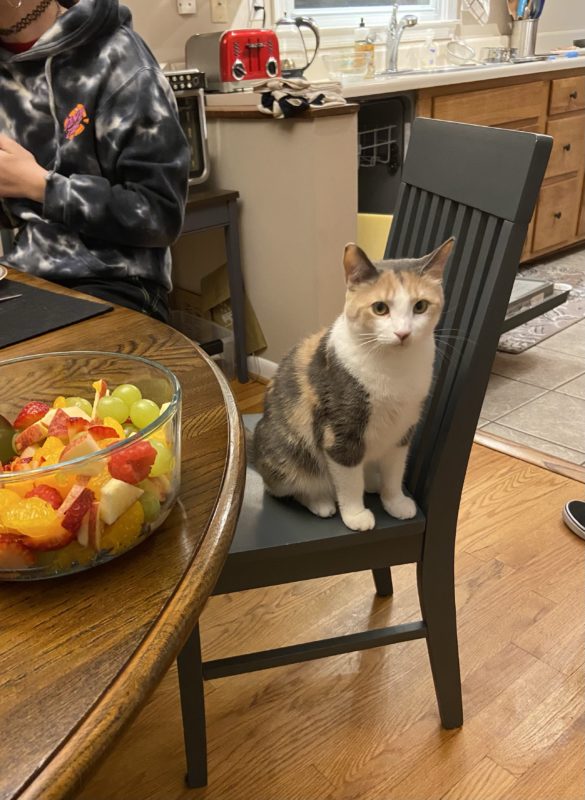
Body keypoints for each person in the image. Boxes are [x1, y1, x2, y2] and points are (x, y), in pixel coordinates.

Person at [0, 0, 190, 322]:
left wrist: (41, 187)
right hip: (28, 277)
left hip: (118, 282)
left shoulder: (118, 58)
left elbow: (160, 214)